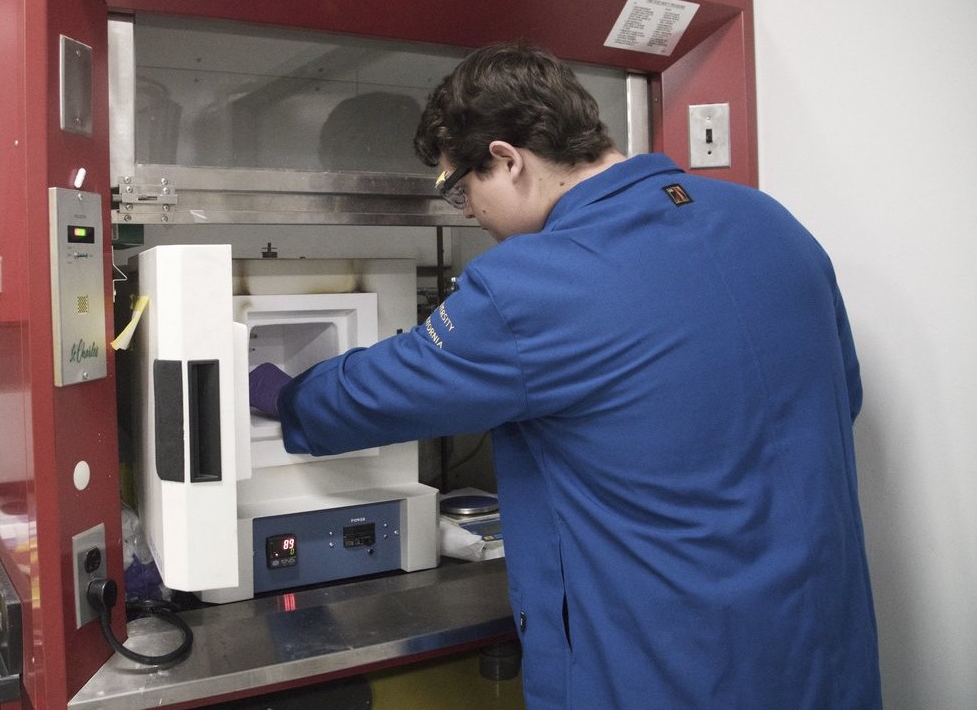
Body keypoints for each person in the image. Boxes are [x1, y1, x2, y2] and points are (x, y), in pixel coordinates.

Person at [249, 41, 881, 709]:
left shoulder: (533, 282)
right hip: (823, 650)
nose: (464, 209)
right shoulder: (772, 223)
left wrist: (281, 392)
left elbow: (379, 392)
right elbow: (842, 396)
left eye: (459, 187)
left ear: (506, 159)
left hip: (670, 669)